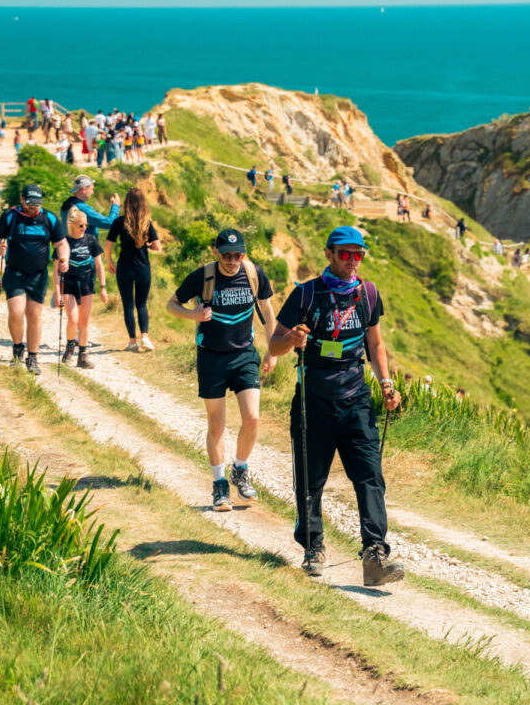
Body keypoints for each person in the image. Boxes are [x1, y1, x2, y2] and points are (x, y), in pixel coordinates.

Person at [268, 225, 405, 587]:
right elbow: (273, 344)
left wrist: (386, 383)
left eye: (358, 254)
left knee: (370, 477)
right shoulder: (306, 294)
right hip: (314, 397)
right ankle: (313, 549)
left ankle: (374, 555)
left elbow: (375, 345)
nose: (352, 261)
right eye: (345, 254)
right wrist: (292, 339)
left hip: (356, 396)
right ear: (329, 254)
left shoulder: (369, 294)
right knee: (311, 480)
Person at [167, 228, 277, 511]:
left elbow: (266, 311)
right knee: (217, 424)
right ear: (216, 252)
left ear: (244, 253)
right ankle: (219, 486)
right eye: (226, 255)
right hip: (212, 358)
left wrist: (272, 350)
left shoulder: (253, 273)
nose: (232, 260)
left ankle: (240, 469)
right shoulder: (203, 276)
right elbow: (172, 304)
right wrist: (194, 315)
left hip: (244, 355)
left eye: (237, 254)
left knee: (252, 418)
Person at [0, 184, 69, 374]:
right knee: (16, 312)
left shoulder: (49, 218)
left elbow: (62, 243)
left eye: (37, 203)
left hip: (38, 275)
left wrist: (65, 259)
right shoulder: (11, 216)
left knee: (34, 315)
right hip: (14, 272)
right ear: (22, 200)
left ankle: (32, 358)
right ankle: (17, 348)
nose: (34, 207)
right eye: (31, 203)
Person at [105, 188, 161, 352]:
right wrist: (145, 243)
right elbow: (157, 246)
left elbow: (108, 246)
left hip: (125, 268)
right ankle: (145, 337)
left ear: (127, 203)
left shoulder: (119, 222)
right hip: (143, 268)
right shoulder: (147, 223)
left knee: (128, 305)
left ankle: (132, 342)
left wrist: (110, 262)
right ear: (143, 203)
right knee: (141, 304)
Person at [56, 207, 108, 369]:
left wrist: (103, 287)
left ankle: (82, 356)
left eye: (85, 225)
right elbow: (56, 271)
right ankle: (70, 345)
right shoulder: (64, 242)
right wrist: (57, 292)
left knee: (84, 323)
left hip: (87, 284)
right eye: (80, 225)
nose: (84, 228)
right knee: (73, 319)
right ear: (72, 225)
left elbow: (99, 265)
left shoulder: (91, 240)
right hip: (69, 285)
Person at [61, 174, 119, 241]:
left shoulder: (67, 204)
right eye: (91, 189)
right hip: (84, 248)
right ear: (84, 190)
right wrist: (115, 206)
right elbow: (109, 223)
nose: (92, 192)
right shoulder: (82, 208)